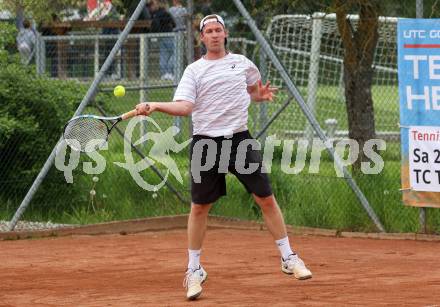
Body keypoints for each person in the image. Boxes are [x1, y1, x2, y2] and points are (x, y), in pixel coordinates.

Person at [135, 14, 312, 301]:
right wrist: (155, 105)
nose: (215, 35)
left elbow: (251, 88)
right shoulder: (194, 71)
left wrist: (258, 95)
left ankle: (289, 258)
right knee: (199, 208)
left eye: (219, 30)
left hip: (240, 139)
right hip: (206, 143)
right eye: (209, 31)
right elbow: (185, 107)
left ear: (225, 34)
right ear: (202, 38)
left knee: (265, 198)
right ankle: (194, 270)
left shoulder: (243, 63)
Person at [148, 0, 176, 81]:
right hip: (168, 35)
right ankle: (169, 72)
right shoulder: (165, 13)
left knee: (163, 55)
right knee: (175, 53)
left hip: (160, 36)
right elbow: (174, 24)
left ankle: (164, 74)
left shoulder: (155, 14)